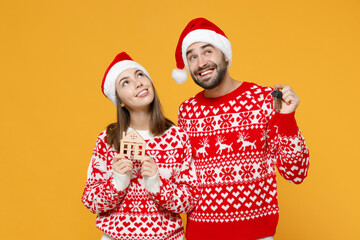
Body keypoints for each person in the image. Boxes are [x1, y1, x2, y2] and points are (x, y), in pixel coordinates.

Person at [172, 18, 310, 240]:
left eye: (208, 51)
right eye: (192, 57)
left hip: (257, 235)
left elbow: (296, 173)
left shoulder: (264, 100)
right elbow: (182, 175)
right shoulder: (187, 111)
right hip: (201, 235)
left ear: (225, 54)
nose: (200, 63)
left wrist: (287, 119)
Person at [82, 52, 199, 240]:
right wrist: (118, 181)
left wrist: (156, 182)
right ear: (119, 100)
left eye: (140, 75)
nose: (138, 83)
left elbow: (190, 201)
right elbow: (90, 201)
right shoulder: (108, 140)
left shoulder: (177, 138)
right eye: (125, 82)